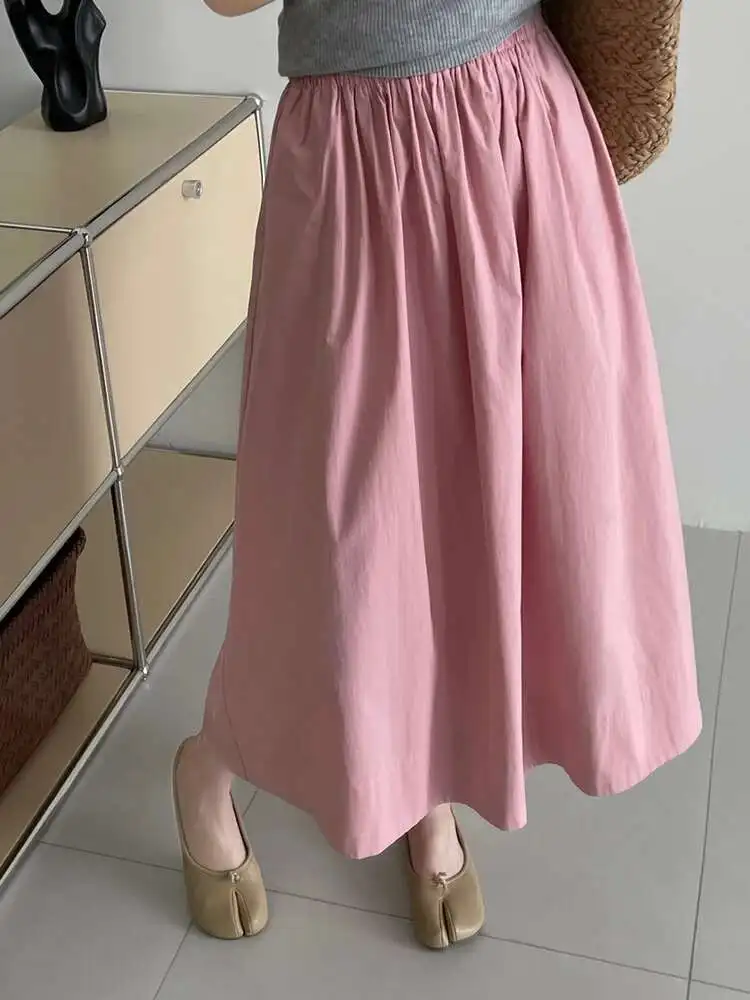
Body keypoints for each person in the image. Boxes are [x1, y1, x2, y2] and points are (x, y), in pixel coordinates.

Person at [173, 0, 703, 950]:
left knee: (492, 514)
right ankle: (208, 765)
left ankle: (430, 796)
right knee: (344, 553)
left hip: (513, 128)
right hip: (357, 167)